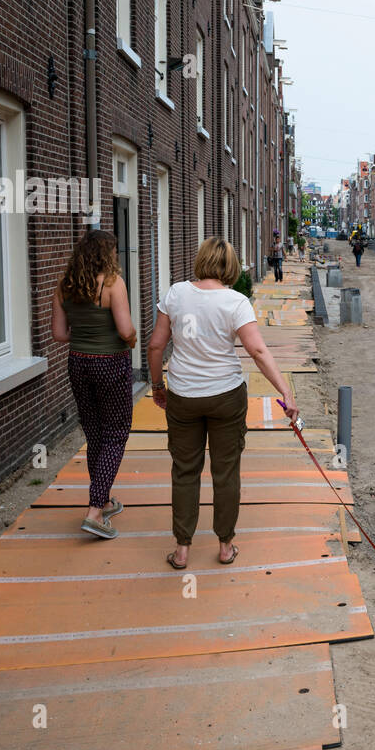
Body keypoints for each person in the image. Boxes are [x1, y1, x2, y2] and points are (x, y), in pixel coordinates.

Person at [148, 237, 298, 568]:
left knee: (185, 471)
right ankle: (226, 546)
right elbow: (258, 351)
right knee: (225, 472)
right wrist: (285, 391)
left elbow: (156, 346)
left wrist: (158, 386)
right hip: (226, 397)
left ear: (200, 260)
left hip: (183, 396)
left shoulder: (175, 294)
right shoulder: (236, 302)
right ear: (230, 266)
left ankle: (182, 549)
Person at [50, 229, 137, 538]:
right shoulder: (113, 284)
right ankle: (95, 512)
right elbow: (126, 330)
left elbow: (59, 335)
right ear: (105, 254)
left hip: (78, 363)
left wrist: (86, 334)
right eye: (112, 252)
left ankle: (102, 500)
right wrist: (132, 338)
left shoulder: (64, 286)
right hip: (110, 363)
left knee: (96, 433)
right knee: (116, 433)